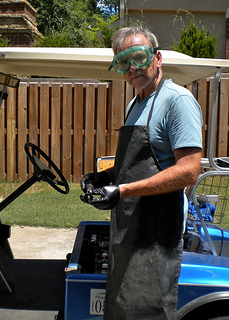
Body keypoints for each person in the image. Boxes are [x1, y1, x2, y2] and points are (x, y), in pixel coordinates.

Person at [80, 26, 202, 320]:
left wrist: (123, 191)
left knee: (148, 311)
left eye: (138, 56)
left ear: (157, 57)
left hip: (155, 238)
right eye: (123, 61)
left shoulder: (177, 100)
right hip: (128, 232)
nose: (132, 67)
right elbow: (134, 161)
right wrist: (106, 177)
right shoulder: (136, 102)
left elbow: (188, 172)